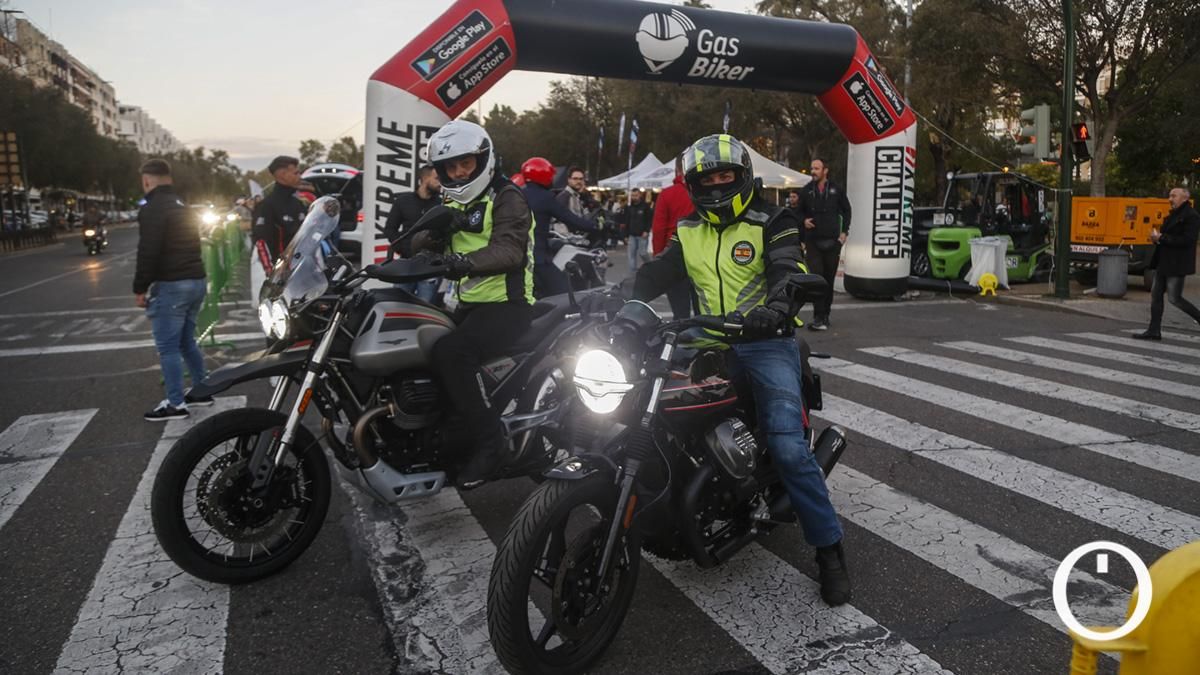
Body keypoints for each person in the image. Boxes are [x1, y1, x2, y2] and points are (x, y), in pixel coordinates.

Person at [633, 134, 851, 606]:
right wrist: (618, 301)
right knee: (636, 403)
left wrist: (777, 305)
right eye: (706, 179)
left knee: (790, 449)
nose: (716, 185)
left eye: (724, 176)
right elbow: (657, 272)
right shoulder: (689, 228)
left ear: (742, 177)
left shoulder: (774, 219)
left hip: (764, 342)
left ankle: (829, 550)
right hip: (704, 337)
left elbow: (786, 268)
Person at [409, 120, 535, 489]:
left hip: (508, 305)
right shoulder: (449, 199)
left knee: (451, 353)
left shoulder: (507, 196)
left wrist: (462, 262)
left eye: (466, 163)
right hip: (467, 304)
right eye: (451, 166)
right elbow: (416, 242)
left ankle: (492, 442)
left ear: (482, 160)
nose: (460, 172)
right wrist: (432, 236)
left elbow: (510, 250)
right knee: (421, 347)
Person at [132, 159, 211, 421]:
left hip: (172, 284)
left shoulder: (153, 208)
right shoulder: (182, 205)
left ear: (146, 180)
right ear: (169, 178)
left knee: (168, 347)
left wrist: (140, 287)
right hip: (196, 280)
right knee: (187, 341)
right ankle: (202, 390)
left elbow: (148, 252)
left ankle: (175, 403)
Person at [520, 157, 596, 298]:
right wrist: (594, 226)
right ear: (543, 175)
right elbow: (570, 219)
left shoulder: (519, 193)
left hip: (517, 256)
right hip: (538, 258)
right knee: (563, 294)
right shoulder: (546, 197)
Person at [1135, 187, 1200, 339]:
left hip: (1177, 264)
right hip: (1163, 262)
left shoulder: (1191, 216)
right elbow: (1166, 236)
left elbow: (1188, 240)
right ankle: (1154, 330)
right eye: (1170, 196)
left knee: (1174, 298)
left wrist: (1162, 238)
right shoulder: (1173, 215)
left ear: (1184, 198)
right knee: (1156, 296)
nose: (1170, 199)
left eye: (1174, 196)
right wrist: (1157, 239)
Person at [797, 158, 851, 331]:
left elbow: (847, 210)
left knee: (828, 280)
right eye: (812, 168)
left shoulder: (836, 189)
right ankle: (817, 316)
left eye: (816, 168)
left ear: (825, 170)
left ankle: (825, 315)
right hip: (813, 242)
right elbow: (797, 213)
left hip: (832, 242)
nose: (813, 171)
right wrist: (803, 221)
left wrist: (844, 233)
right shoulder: (806, 191)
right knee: (817, 279)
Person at [251, 156, 306, 308]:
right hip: (281, 280)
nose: (299, 176)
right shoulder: (266, 206)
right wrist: (272, 278)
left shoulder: (299, 204)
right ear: (281, 174)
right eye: (295, 173)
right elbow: (261, 243)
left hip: (303, 276)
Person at [383, 165, 443, 302]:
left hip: (430, 267)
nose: (441, 183)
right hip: (406, 263)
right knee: (397, 305)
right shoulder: (403, 201)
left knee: (425, 309)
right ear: (424, 178)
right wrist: (403, 248)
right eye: (437, 178)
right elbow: (390, 229)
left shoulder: (442, 204)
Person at [650, 153, 695, 319]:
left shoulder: (667, 194)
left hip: (673, 256)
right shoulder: (702, 192)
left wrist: (658, 259)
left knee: (680, 312)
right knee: (704, 310)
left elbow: (659, 230)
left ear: (676, 170)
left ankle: (680, 341)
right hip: (703, 257)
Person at [620, 188, 653, 272]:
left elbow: (649, 220)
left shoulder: (645, 206)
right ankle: (633, 273)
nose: (634, 197)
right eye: (633, 195)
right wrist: (625, 236)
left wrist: (647, 230)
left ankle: (651, 267)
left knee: (643, 253)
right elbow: (626, 222)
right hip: (632, 235)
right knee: (631, 255)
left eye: (636, 195)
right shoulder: (629, 208)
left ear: (640, 195)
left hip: (642, 235)